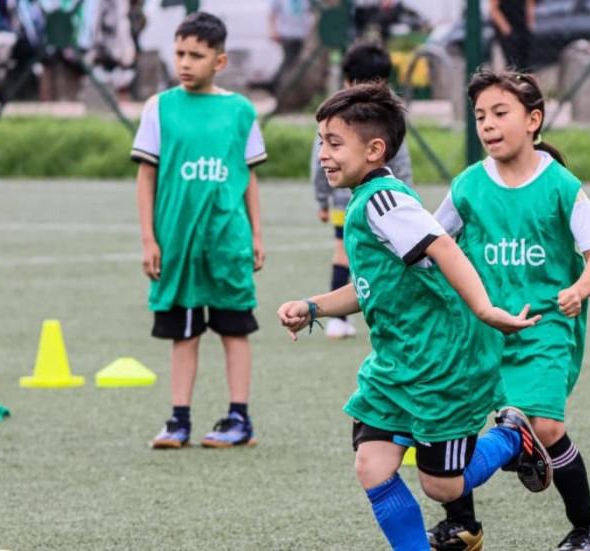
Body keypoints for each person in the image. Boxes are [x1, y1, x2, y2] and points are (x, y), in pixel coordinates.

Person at [277, 82, 552, 551]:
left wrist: (485, 310)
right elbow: (371, 289)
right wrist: (315, 307)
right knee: (372, 467)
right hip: (396, 367)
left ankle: (510, 437)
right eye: (321, 141)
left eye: (334, 143)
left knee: (442, 487)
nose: (323, 154)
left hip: (441, 366)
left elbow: (444, 246)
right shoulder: (363, 203)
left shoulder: (386, 201)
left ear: (374, 149)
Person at [428, 68, 590, 551]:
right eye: (479, 116)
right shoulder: (467, 185)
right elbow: (431, 241)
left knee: (548, 426)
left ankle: (589, 529)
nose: (487, 124)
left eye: (499, 113)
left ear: (533, 120)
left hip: (544, 326)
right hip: (481, 329)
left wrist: (579, 288)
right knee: (456, 424)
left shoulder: (561, 186)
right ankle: (463, 525)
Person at [131, 12, 268, 450]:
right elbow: (146, 177)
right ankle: (178, 419)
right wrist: (149, 239)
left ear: (220, 61)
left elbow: (248, 177)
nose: (185, 63)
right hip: (177, 243)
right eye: (179, 54)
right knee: (182, 332)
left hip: (226, 242)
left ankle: (238, 417)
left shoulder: (240, 111)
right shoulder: (159, 107)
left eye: (196, 55)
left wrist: (257, 235)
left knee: (234, 328)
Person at [310, 41, 413, 339]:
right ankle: (345, 315)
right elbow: (403, 164)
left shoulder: (339, 116)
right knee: (384, 258)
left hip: (352, 204)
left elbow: (317, 165)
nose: (327, 150)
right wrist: (405, 193)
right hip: (365, 203)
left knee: (345, 253)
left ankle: (340, 319)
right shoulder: (342, 118)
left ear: (347, 81)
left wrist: (322, 200)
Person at [268, 0, 312, 90]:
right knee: (289, 61)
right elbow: (272, 13)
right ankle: (277, 84)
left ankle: (279, 84)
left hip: (301, 34)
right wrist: (273, 31)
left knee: (294, 62)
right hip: (287, 34)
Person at [489, 0, 534, 71]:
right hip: (507, 32)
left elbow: (529, 5)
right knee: (511, 65)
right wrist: (508, 31)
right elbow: (494, 10)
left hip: (522, 27)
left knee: (526, 65)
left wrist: (529, 25)